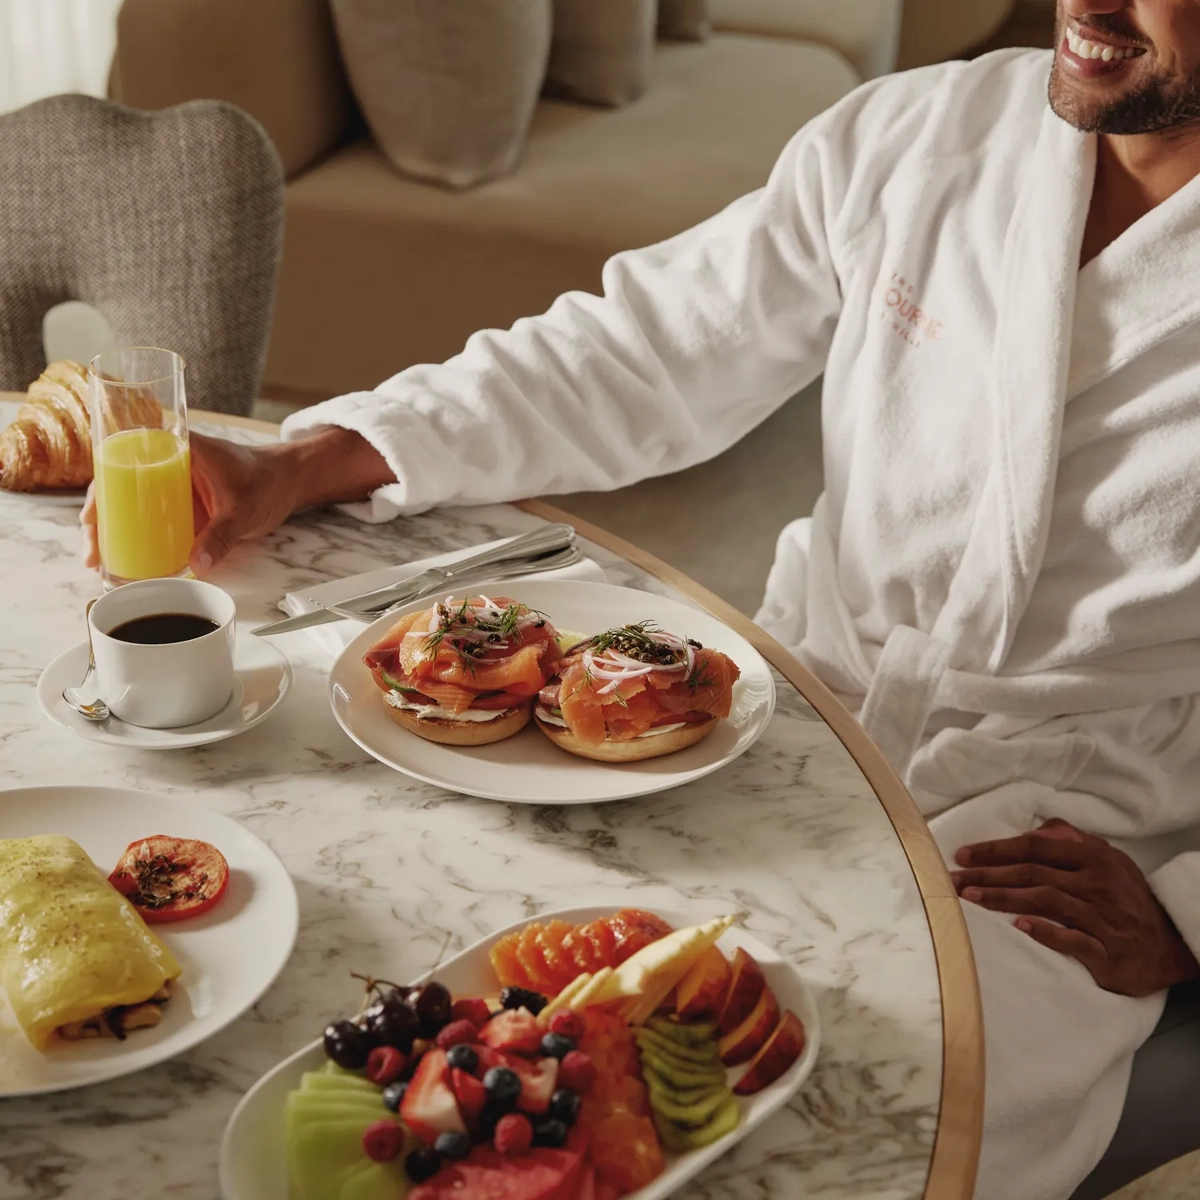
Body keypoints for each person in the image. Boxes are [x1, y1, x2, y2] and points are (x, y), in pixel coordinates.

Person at [82, 1, 1200, 1194]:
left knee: (837, 1142)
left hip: (1045, 835)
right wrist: (310, 459)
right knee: (480, 1001)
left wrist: (1187, 916)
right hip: (799, 722)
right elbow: (648, 344)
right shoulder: (930, 131)